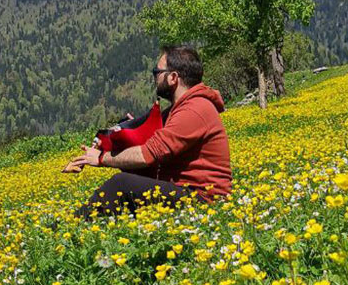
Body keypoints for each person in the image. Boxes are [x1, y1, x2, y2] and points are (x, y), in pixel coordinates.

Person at [64, 45, 232, 218]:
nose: (154, 77)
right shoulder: (181, 108)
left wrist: (100, 158)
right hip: (188, 192)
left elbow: (148, 154)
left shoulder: (195, 109)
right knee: (129, 180)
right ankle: (85, 230)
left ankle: (69, 230)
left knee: (121, 184)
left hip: (204, 200)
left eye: (157, 72)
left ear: (173, 77)